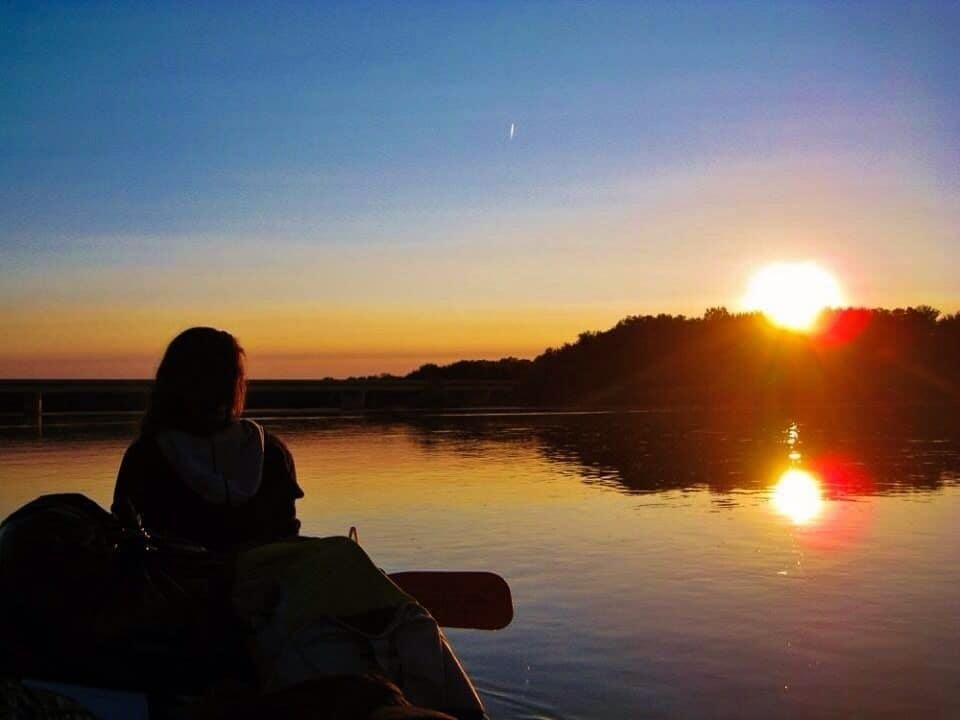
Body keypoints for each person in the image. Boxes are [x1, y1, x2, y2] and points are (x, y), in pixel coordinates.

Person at [112, 327, 303, 551]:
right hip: (260, 580)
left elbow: (124, 532)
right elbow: (287, 536)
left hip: (176, 580)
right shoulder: (271, 451)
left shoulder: (146, 456)